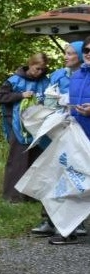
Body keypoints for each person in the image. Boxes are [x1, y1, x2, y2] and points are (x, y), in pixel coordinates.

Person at [31, 42, 83, 236]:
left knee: (74, 174)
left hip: (76, 131)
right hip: (54, 130)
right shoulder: (57, 75)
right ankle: (48, 220)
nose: (66, 56)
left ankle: (76, 221)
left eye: (71, 53)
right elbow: (47, 98)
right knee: (51, 173)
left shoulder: (85, 77)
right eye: (66, 53)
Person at [49, 35, 90, 244]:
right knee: (72, 180)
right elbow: (74, 100)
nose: (89, 54)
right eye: (87, 50)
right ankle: (68, 230)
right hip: (77, 136)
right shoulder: (76, 76)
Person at [0, 52, 49, 203]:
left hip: (38, 127)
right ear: (30, 64)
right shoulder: (14, 80)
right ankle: (13, 197)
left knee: (36, 160)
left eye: (43, 69)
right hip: (17, 125)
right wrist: (20, 95)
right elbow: (0, 97)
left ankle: (32, 196)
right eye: (37, 68)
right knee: (18, 161)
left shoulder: (45, 81)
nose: (39, 72)